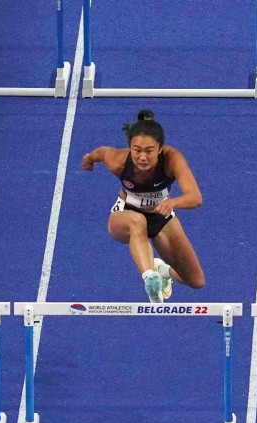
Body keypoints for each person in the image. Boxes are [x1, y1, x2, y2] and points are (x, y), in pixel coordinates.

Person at [81, 109, 205, 303]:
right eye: (137, 150)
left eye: (149, 151)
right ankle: (150, 278)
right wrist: (89, 159)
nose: (142, 157)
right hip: (126, 213)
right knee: (138, 221)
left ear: (160, 148)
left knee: (196, 281)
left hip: (160, 214)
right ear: (130, 147)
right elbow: (101, 153)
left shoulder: (172, 159)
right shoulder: (119, 161)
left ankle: (162, 271)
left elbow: (195, 197)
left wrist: (172, 203)